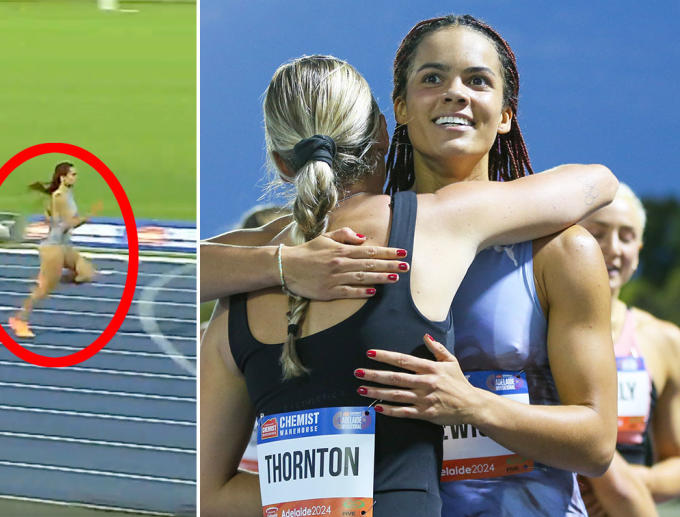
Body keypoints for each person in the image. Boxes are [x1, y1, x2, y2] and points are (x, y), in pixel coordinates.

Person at [198, 53, 617, 517]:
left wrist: (316, 493)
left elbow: (209, 495)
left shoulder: (234, 288)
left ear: (280, 161)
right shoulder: (436, 220)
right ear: (382, 130)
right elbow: (597, 183)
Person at [578, 184, 680, 516]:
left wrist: (638, 483)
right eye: (597, 233)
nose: (613, 249)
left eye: (626, 236)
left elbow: (676, 459)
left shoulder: (663, 340)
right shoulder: (527, 334)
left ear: (639, 248)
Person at [8, 162, 98, 338]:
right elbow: (67, 223)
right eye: (73, 174)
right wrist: (87, 217)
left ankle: (48, 279)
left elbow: (54, 219)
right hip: (53, 247)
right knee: (44, 291)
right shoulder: (59, 197)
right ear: (63, 177)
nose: (75, 177)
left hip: (64, 246)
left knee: (87, 274)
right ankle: (19, 320)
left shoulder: (67, 194)